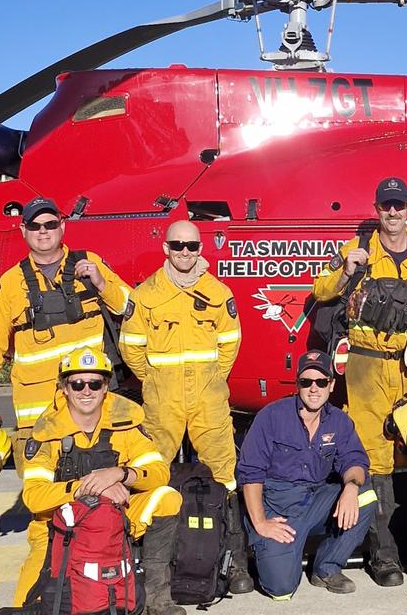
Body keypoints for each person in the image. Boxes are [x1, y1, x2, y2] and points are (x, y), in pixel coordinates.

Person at [0, 196, 132, 605]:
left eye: (51, 223)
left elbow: (129, 306)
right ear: (23, 231)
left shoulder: (87, 263)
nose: (44, 231)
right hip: (39, 419)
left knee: (102, 503)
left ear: (62, 227)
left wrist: (102, 282)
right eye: (35, 225)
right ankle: (35, 601)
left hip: (92, 409)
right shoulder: (10, 284)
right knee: (44, 519)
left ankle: (99, 590)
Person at [313, 176, 407, 586]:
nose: (393, 213)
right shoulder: (357, 252)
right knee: (373, 459)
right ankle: (383, 556)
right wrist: (346, 270)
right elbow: (321, 292)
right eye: (385, 206)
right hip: (366, 366)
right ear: (377, 210)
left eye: (399, 205)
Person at [119, 219, 253, 594]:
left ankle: (234, 561)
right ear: (166, 249)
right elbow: (132, 347)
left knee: (224, 475)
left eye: (191, 246)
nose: (184, 253)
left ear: (200, 249)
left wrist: (211, 379)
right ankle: (148, 561)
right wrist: (157, 381)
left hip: (208, 398)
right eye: (177, 246)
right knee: (151, 474)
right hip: (162, 400)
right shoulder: (146, 295)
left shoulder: (217, 292)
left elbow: (230, 344)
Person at [21, 347, 185, 615]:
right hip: (60, 531)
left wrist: (120, 474)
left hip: (114, 520)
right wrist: (91, 486)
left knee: (167, 497)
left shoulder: (125, 422)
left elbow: (158, 471)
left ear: (106, 387)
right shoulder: (47, 432)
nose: (86, 391)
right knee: (30, 604)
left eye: (95, 383)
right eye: (77, 384)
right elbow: (34, 497)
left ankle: (156, 597)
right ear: (64, 388)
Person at [236, 349, 377, 600]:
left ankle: (326, 568)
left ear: (331, 385)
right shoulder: (271, 416)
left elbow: (355, 461)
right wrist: (261, 523)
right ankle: (273, 551)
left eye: (321, 382)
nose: (314, 388)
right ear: (297, 384)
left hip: (315, 500)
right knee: (281, 590)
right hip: (278, 509)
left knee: (365, 496)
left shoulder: (340, 421)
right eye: (306, 382)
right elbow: (250, 474)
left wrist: (351, 488)